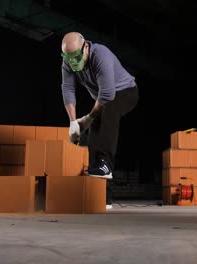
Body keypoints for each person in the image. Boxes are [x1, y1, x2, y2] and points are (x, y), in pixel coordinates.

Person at [61, 32, 139, 208]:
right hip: (102, 100)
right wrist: (73, 122)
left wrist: (88, 118)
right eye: (67, 58)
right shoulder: (68, 62)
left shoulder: (100, 55)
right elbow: (67, 89)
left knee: (108, 109)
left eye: (76, 57)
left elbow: (108, 94)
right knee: (94, 138)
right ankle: (104, 198)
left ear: (86, 47)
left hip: (126, 92)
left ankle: (106, 164)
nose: (72, 62)